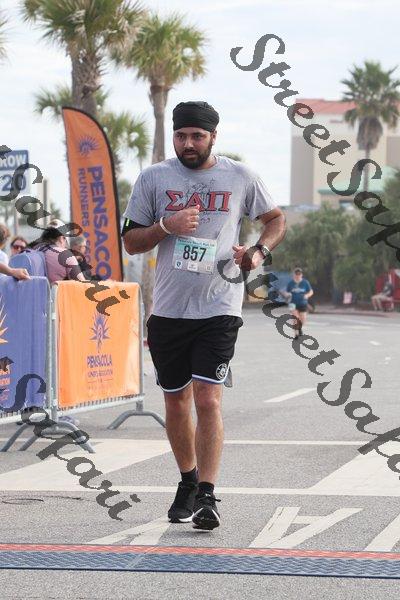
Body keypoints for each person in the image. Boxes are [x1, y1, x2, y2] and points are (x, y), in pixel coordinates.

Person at [122, 100, 286, 530]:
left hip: (219, 306)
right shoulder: (153, 178)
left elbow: (275, 219)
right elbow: (131, 242)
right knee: (175, 402)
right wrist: (166, 226)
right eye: (181, 136)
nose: (188, 144)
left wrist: (257, 252)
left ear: (214, 136)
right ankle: (188, 481)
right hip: (168, 310)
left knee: (208, 398)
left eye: (197, 136)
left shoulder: (240, 176)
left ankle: (208, 496)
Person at [285, 268, 313, 339]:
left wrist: (307, 295)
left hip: (302, 303)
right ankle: (296, 334)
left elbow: (311, 291)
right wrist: (288, 295)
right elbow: (286, 292)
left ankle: (299, 328)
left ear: (301, 275)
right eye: (296, 274)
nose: (298, 276)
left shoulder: (305, 282)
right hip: (293, 303)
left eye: (299, 274)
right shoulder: (291, 283)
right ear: (294, 275)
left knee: (303, 320)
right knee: (295, 318)